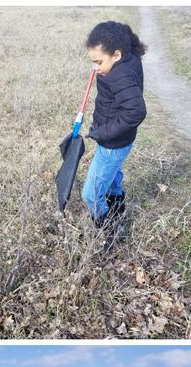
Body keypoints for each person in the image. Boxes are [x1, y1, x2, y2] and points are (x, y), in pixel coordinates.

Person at [82, 21, 147, 248]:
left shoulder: (120, 76)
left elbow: (136, 111)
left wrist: (103, 132)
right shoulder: (125, 61)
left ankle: (108, 233)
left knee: (90, 195)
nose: (95, 67)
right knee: (111, 181)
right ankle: (118, 215)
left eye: (98, 62)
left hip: (112, 143)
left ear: (116, 55)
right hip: (116, 141)